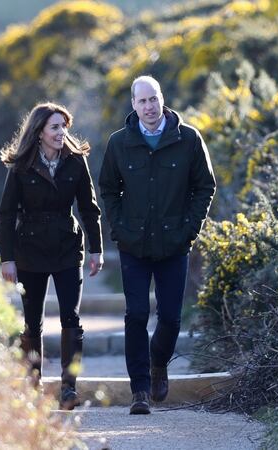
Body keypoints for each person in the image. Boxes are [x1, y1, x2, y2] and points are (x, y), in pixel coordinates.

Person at [99, 75, 216, 414]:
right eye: (142, 101)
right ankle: (139, 391)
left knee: (171, 319)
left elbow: (204, 187)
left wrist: (189, 230)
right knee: (135, 315)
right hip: (134, 244)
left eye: (153, 100)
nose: (149, 107)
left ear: (162, 100)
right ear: (133, 105)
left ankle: (158, 363)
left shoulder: (189, 138)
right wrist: (120, 228)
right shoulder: (120, 143)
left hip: (174, 244)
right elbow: (108, 189)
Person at [0, 102, 103, 410]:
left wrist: (96, 249)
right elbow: (6, 215)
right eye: (55, 127)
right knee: (32, 323)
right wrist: (8, 259)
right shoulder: (21, 166)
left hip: (68, 248)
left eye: (64, 127)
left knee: (71, 318)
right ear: (39, 131)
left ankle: (69, 388)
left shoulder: (76, 161)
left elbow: (89, 208)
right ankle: (33, 385)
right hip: (29, 251)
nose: (61, 133)